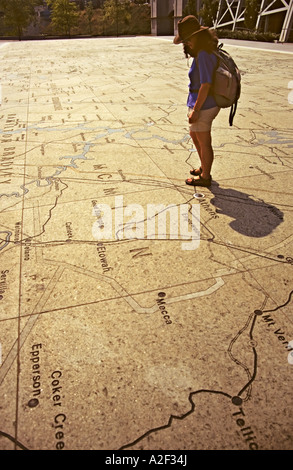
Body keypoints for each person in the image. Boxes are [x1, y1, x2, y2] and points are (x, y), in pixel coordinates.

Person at [174, 15, 220, 187]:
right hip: (200, 101)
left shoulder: (204, 55)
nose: (187, 43)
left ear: (197, 36)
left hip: (205, 104)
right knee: (195, 135)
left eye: (188, 39)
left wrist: (196, 110)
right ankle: (204, 167)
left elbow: (206, 84)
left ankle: (206, 176)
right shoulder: (202, 53)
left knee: (204, 140)